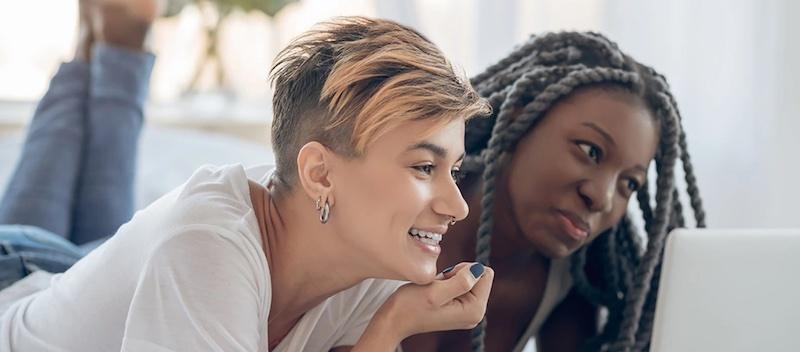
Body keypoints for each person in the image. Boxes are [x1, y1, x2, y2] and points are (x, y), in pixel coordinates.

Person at [0, 2, 495, 350]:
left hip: (79, 276)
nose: (458, 205)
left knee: (101, 224)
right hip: (12, 279)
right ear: (319, 174)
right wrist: (388, 330)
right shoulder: (208, 245)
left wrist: (392, 322)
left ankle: (99, 44)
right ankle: (111, 45)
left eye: (453, 170)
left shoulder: (370, 266)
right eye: (425, 168)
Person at [402, 32, 706, 352]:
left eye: (629, 183)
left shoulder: (570, 278)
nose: (601, 198)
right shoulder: (392, 214)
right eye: (590, 151)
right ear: (522, 113)